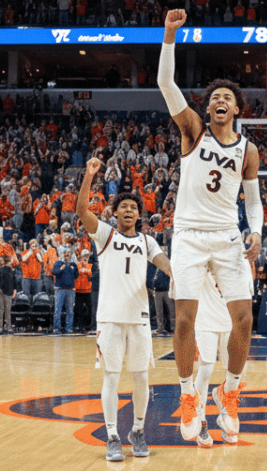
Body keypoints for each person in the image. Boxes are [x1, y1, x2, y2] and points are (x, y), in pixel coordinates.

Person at [158, 9, 263, 442]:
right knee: (185, 320)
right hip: (188, 235)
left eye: (227, 97)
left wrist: (255, 231)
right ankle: (188, 397)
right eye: (214, 96)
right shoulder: (193, 132)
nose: (219, 100)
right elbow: (166, 84)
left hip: (226, 237)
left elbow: (253, 204)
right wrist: (169, 35)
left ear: (237, 109)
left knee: (244, 319)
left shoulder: (248, 150)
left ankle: (230, 392)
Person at [77, 158, 172, 461]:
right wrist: (89, 177)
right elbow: (81, 211)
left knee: (142, 378)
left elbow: (165, 265)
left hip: (140, 320)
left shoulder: (147, 241)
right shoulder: (105, 235)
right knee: (111, 379)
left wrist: (183, 277)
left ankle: (138, 431)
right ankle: (113, 436)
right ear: (114, 212)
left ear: (139, 215)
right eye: (124, 207)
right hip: (110, 319)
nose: (129, 210)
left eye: (134, 207)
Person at [190, 271, 235, 447]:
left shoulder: (232, 256)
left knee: (235, 370)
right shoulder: (201, 256)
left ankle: (227, 413)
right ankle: (200, 421)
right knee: (206, 369)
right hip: (205, 320)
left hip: (229, 320)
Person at [52, 247, 78, 334]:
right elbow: (54, 272)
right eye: (65, 253)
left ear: (71, 255)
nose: (67, 254)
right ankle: (57, 328)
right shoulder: (58, 263)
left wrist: (74, 268)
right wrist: (61, 269)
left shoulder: (73, 264)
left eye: (69, 253)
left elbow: (76, 276)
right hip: (60, 290)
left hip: (70, 290)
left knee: (70, 311)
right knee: (57, 310)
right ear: (63, 254)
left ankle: (69, 328)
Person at [0, 255, 16, 334]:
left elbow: (13, 281)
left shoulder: (11, 270)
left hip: (8, 291)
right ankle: (1, 327)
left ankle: (7, 326)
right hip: (2, 291)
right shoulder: (1, 270)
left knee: (6, 310)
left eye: (2, 260)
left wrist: (14, 290)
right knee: (1, 310)